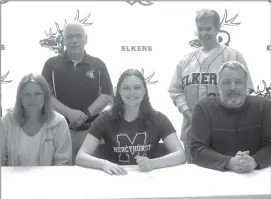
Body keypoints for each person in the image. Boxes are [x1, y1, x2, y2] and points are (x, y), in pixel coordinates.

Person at [168, 9, 254, 163]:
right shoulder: (185, 61)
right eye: (200, 29)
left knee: (229, 173)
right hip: (192, 129)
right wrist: (188, 113)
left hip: (227, 130)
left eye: (208, 28)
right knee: (196, 177)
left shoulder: (233, 56)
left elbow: (245, 90)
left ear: (217, 29)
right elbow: (175, 91)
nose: (203, 33)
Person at [75, 69, 186, 175]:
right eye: (126, 88)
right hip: (115, 178)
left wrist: (153, 163)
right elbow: (80, 157)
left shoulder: (159, 119)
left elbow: (181, 155)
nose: (132, 92)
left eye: (137, 88)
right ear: (119, 91)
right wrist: (103, 164)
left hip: (149, 179)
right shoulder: (104, 119)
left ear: (144, 91)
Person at [42, 21, 114, 164]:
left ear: (85, 39)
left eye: (78, 36)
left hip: (92, 133)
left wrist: (86, 114)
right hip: (60, 130)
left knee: (91, 173)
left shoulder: (98, 64)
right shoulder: (51, 64)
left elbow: (107, 95)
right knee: (61, 173)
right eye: (70, 37)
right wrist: (69, 113)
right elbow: (44, 95)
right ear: (63, 40)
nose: (74, 40)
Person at [190, 61, 271, 172]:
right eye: (226, 82)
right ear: (218, 85)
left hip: (256, 176)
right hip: (214, 177)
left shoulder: (264, 106)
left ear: (246, 84)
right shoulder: (203, 109)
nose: (233, 88)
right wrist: (228, 162)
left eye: (238, 82)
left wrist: (255, 161)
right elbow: (197, 150)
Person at [1, 73, 72, 166]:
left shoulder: (59, 123)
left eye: (37, 94)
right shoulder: (6, 122)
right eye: (27, 94)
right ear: (20, 98)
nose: (32, 99)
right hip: (13, 179)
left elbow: (63, 163)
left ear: (45, 97)